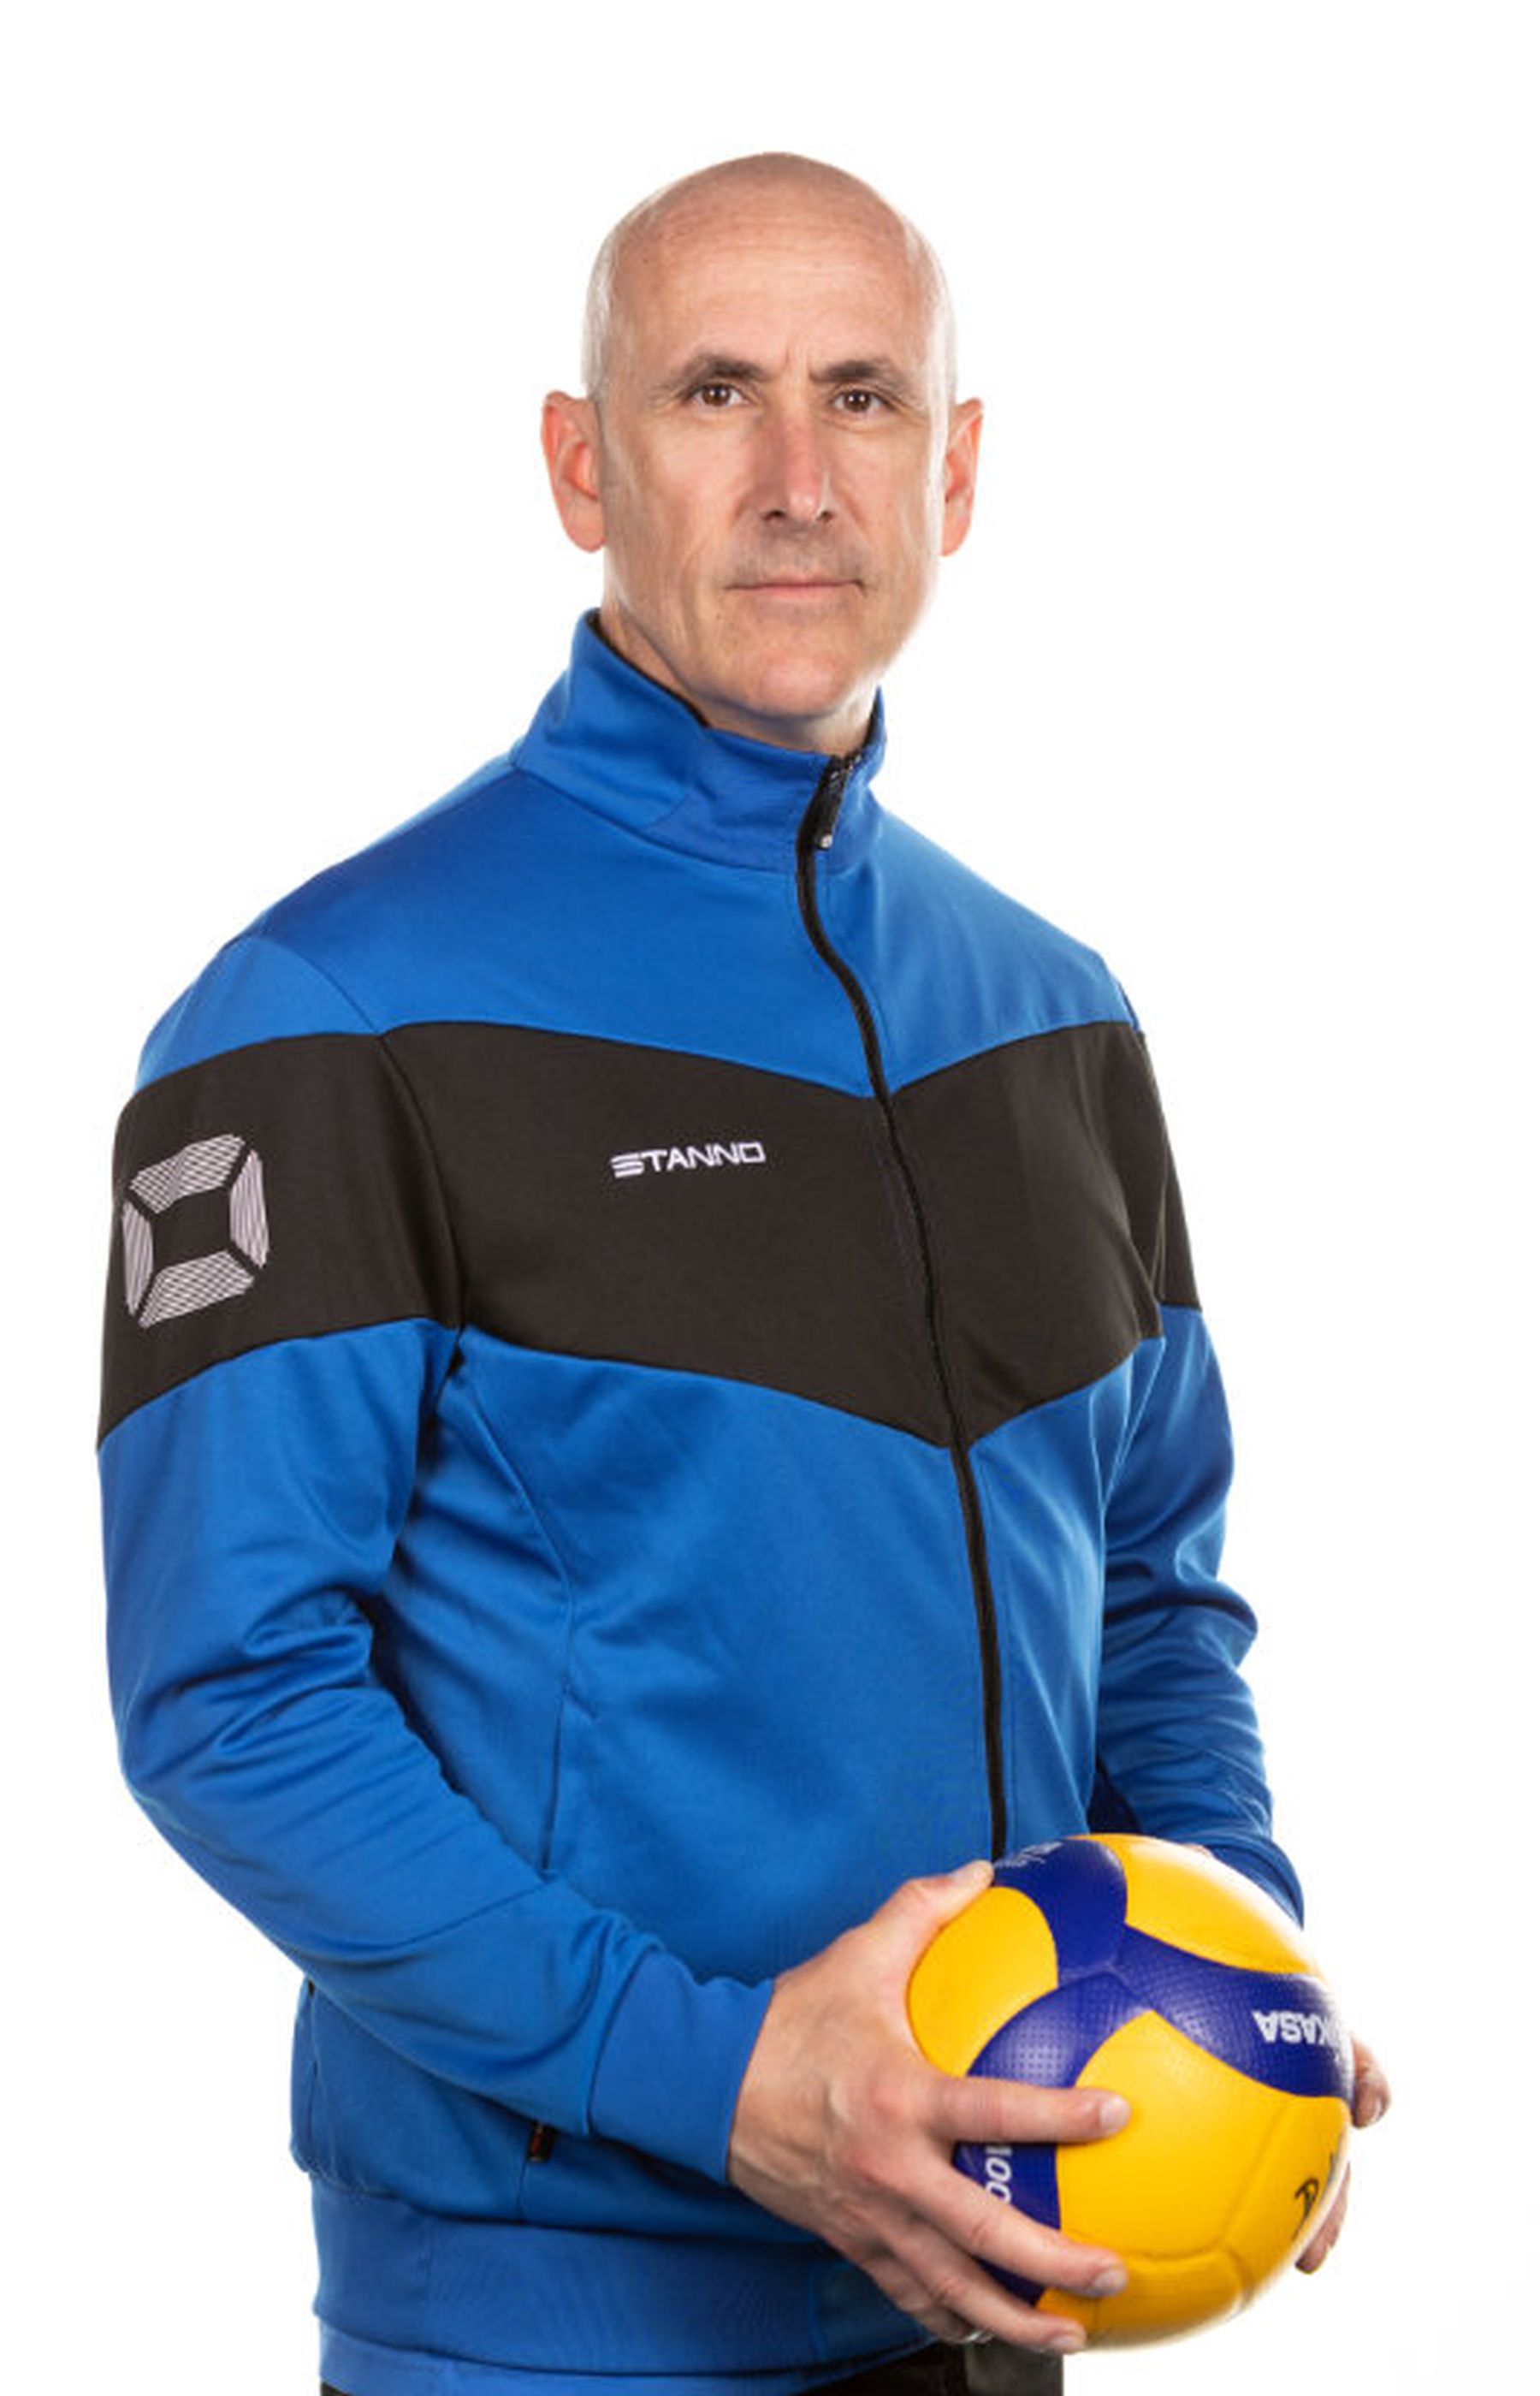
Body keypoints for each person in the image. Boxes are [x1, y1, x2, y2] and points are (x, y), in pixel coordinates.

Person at [99, 153, 1386, 2396]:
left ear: (954, 472)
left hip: (1000, 2282)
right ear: (580, 465)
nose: (801, 479)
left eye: (863, 397)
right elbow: (233, 1698)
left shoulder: (1056, 1012)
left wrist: (1227, 1973)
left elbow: (1152, 1597)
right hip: (551, 2331)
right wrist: (721, 2080)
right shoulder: (322, 1017)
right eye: (715, 392)